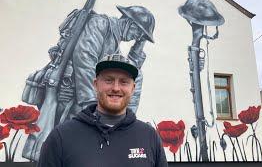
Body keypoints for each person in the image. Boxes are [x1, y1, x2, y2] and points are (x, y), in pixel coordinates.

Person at [22, 5, 155, 160]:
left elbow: (130, 72)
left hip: (81, 97)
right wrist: (91, 104)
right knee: (56, 144)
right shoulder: (101, 24)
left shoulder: (113, 38)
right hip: (71, 93)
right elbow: (84, 59)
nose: (136, 37)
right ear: (130, 24)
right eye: (138, 33)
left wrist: (140, 46)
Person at [37, 54, 168, 167]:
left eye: (124, 82)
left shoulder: (149, 137)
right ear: (95, 84)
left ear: (133, 88)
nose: (116, 88)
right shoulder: (61, 137)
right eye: (109, 80)